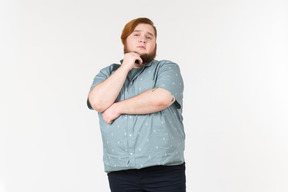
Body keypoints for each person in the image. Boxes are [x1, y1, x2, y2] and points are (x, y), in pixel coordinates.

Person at [87, 17, 186, 192]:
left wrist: (117, 108)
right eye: (137, 34)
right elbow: (97, 102)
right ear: (124, 40)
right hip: (121, 171)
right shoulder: (107, 74)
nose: (143, 39)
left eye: (149, 37)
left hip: (164, 171)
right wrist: (125, 67)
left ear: (155, 44)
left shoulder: (166, 68)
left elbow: (161, 98)